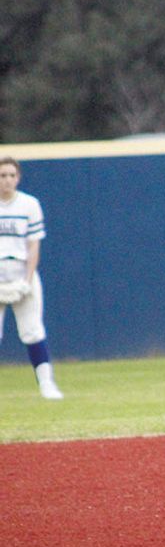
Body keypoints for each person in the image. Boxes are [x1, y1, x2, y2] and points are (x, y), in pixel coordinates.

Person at [0, 157, 63, 400]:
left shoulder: (29, 204)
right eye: (2, 175)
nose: (6, 180)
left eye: (10, 175)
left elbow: (33, 245)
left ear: (18, 178)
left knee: (33, 331)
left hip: (21, 272)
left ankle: (46, 383)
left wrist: (26, 280)